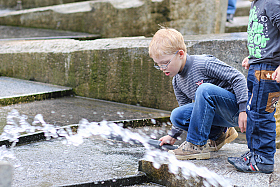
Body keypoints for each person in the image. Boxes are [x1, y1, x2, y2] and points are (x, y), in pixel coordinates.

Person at [149, 28, 248, 160]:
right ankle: (219, 134)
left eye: (165, 63)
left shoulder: (203, 63)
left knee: (204, 89)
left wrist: (243, 109)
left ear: (180, 54)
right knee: (178, 115)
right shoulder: (177, 81)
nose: (162, 68)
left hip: (235, 111)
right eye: (158, 65)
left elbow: (238, 78)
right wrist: (173, 135)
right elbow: (188, 113)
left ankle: (196, 145)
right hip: (219, 118)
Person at [228, 0, 280, 174]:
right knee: (253, 112)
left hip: (268, 71)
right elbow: (267, 37)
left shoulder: (272, 2)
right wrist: (253, 57)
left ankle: (263, 159)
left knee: (261, 115)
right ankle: (254, 153)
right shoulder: (257, 3)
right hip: (258, 66)